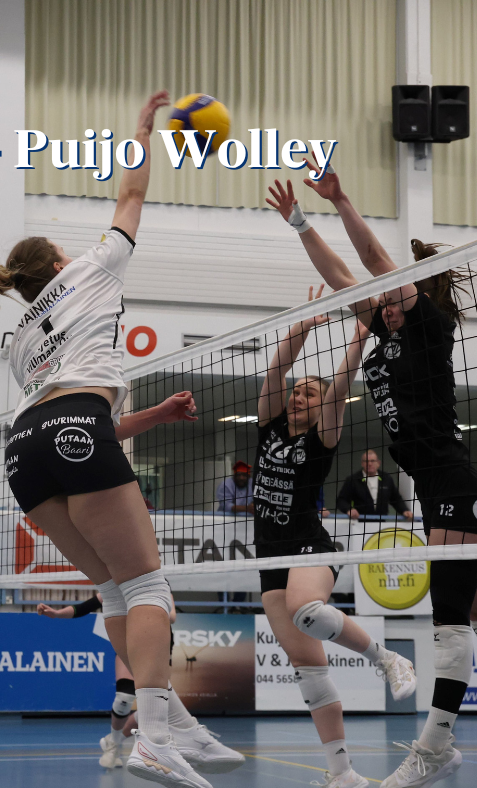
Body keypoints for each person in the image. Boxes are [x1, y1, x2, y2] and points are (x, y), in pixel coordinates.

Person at [0, 90, 210, 788]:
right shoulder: (94, 268)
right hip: (77, 425)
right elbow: (132, 193)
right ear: (57, 263)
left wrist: (153, 416)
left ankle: (167, 726)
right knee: (148, 587)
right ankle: (155, 736)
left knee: (113, 589)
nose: (69, 251)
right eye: (61, 249)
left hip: (24, 450)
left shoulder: (19, 339)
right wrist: (141, 131)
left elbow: (70, 423)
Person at [269, 162, 477, 788]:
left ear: (411, 297)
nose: (382, 306)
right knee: (464, 614)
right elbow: (342, 277)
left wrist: (341, 201)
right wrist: (300, 223)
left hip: (452, 478)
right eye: (380, 303)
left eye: (390, 299)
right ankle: (439, 746)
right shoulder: (382, 334)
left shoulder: (428, 327)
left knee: (449, 619)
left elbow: (375, 261)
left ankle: (435, 746)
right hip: (433, 485)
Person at [252, 285, 416, 788]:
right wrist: (302, 326)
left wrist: (359, 336)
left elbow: (340, 386)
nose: (298, 395)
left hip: (310, 545)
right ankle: (342, 773)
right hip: (269, 557)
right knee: (309, 669)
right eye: (297, 390)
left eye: (309, 392)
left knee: (306, 610)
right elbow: (276, 372)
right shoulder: (268, 426)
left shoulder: (322, 437)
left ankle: (387, 658)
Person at [37, 594, 245, 774]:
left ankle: (113, 741)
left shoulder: (160, 584)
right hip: (132, 645)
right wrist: (56, 613)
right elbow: (84, 607)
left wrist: (145, 609)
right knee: (124, 698)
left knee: (152, 706)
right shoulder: (119, 582)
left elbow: (172, 616)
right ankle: (113, 744)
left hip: (160, 647)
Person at [336, 450, 413, 521]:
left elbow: (396, 499)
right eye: (366, 461)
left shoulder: (387, 478)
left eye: (372, 461)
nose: (369, 464)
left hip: (381, 524)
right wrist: (349, 509)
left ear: (378, 463)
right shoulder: (353, 480)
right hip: (359, 524)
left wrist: (404, 510)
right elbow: (341, 500)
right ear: (362, 463)